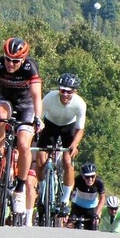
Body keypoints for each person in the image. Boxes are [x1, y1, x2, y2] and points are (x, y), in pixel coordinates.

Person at [0, 37, 43, 216]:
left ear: (23, 60)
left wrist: (38, 117)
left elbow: (37, 96)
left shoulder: (31, 67)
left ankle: (20, 189)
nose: (10, 63)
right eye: (7, 59)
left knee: (23, 144)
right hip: (6, 101)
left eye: (15, 61)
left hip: (26, 105)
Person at [36, 73, 87, 218]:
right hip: (50, 125)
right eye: (62, 90)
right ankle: (41, 192)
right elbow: (38, 117)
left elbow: (80, 129)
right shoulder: (50, 98)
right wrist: (37, 129)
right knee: (40, 162)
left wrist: (74, 145)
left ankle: (65, 201)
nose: (64, 94)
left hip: (68, 128)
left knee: (67, 161)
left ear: (74, 92)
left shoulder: (80, 104)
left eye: (69, 91)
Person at [68, 162, 105, 230]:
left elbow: (102, 199)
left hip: (91, 208)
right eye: (87, 177)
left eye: (92, 176)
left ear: (95, 175)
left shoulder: (99, 182)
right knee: (70, 224)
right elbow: (69, 193)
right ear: (82, 176)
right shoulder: (78, 179)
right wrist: (67, 210)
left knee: (92, 228)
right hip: (77, 207)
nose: (90, 179)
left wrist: (97, 214)